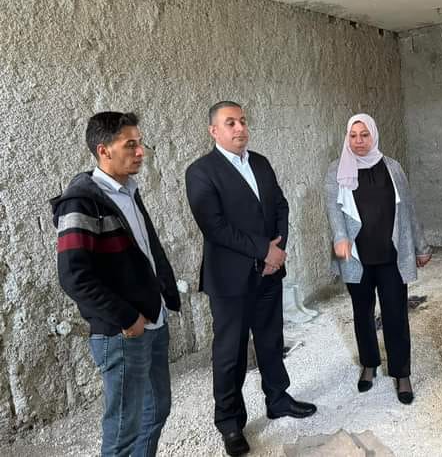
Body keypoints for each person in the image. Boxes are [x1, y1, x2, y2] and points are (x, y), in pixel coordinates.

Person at [185, 101, 316, 457]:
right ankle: (230, 423)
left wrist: (278, 250)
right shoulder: (201, 172)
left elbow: (280, 206)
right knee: (231, 353)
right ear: (214, 131)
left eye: (242, 121)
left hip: (269, 273)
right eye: (230, 123)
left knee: (271, 340)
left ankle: (278, 399)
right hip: (230, 280)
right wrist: (263, 251)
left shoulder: (259, 162)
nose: (240, 128)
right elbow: (214, 227)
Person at [51, 112, 181, 456]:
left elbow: (146, 252)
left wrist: (163, 298)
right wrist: (127, 318)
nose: (140, 152)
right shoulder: (81, 202)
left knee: (156, 411)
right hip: (123, 333)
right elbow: (74, 276)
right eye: (130, 145)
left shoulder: (128, 191)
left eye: (140, 143)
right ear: (103, 150)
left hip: (153, 321)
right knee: (124, 432)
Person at [324, 113, 432, 405]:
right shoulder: (337, 170)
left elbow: (408, 209)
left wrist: (421, 247)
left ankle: (401, 372)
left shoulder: (392, 167)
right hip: (356, 257)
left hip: (391, 255)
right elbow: (333, 210)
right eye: (353, 135)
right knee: (362, 313)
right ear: (347, 138)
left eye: (364, 135)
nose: (359, 141)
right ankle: (369, 364)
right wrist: (340, 237)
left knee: (396, 314)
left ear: (374, 135)